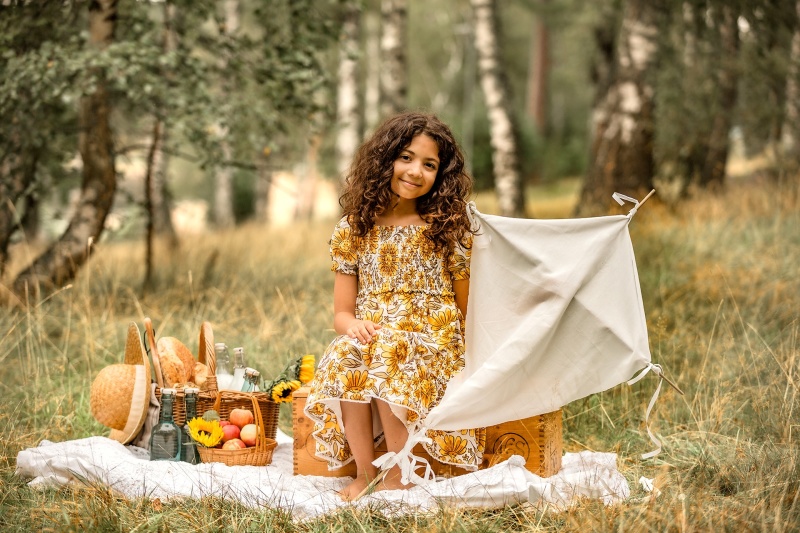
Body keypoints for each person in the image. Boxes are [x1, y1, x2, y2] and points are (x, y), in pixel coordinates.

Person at [304, 111, 484, 500]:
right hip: (374, 336)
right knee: (347, 353)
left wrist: (474, 354)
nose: (416, 171)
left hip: (433, 342)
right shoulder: (354, 228)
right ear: (385, 159)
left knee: (388, 350)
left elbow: (467, 306)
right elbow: (341, 314)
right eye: (406, 157)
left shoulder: (447, 227)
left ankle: (401, 472)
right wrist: (352, 326)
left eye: (429, 164)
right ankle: (365, 472)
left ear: (442, 174)